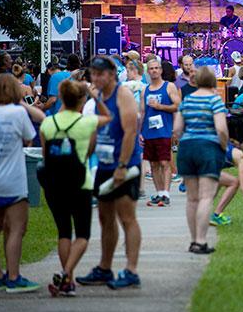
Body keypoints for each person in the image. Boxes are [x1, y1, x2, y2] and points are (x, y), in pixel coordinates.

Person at [39, 79, 112, 297]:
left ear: (61, 98)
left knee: (63, 232)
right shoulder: (87, 122)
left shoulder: (47, 123)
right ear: (82, 100)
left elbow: (45, 155)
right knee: (82, 234)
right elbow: (109, 119)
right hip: (81, 183)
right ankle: (66, 272)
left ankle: (68, 281)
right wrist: (97, 98)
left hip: (53, 183)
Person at [76, 56, 142, 289]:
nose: (95, 78)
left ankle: (131, 270)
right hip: (103, 165)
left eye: (100, 74)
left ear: (112, 74)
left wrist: (122, 166)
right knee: (105, 218)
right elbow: (98, 128)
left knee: (127, 217)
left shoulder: (122, 94)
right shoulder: (98, 96)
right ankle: (104, 268)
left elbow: (130, 132)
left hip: (123, 166)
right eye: (93, 74)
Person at [0, 74, 44, 293]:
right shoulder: (17, 113)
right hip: (13, 179)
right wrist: (22, 103)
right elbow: (35, 127)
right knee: (16, 228)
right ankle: (14, 276)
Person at [174, 66, 228, 254]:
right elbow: (221, 128)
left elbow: (177, 129)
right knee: (206, 196)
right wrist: (222, 145)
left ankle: (192, 239)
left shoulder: (187, 100)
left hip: (187, 148)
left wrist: (186, 140)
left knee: (192, 198)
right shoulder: (215, 100)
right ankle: (201, 241)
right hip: (208, 148)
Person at [141, 59, 181, 207]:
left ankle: (166, 193)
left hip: (164, 130)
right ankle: (159, 193)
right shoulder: (145, 90)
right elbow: (142, 111)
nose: (154, 71)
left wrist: (160, 106)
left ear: (161, 70)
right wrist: (139, 131)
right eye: (151, 68)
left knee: (164, 162)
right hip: (148, 131)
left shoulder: (169, 87)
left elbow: (177, 106)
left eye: (156, 68)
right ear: (148, 71)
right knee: (153, 164)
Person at [209, 142, 243, 227]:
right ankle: (216, 215)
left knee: (220, 181)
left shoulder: (232, 150)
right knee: (234, 182)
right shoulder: (242, 158)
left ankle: (202, 212)